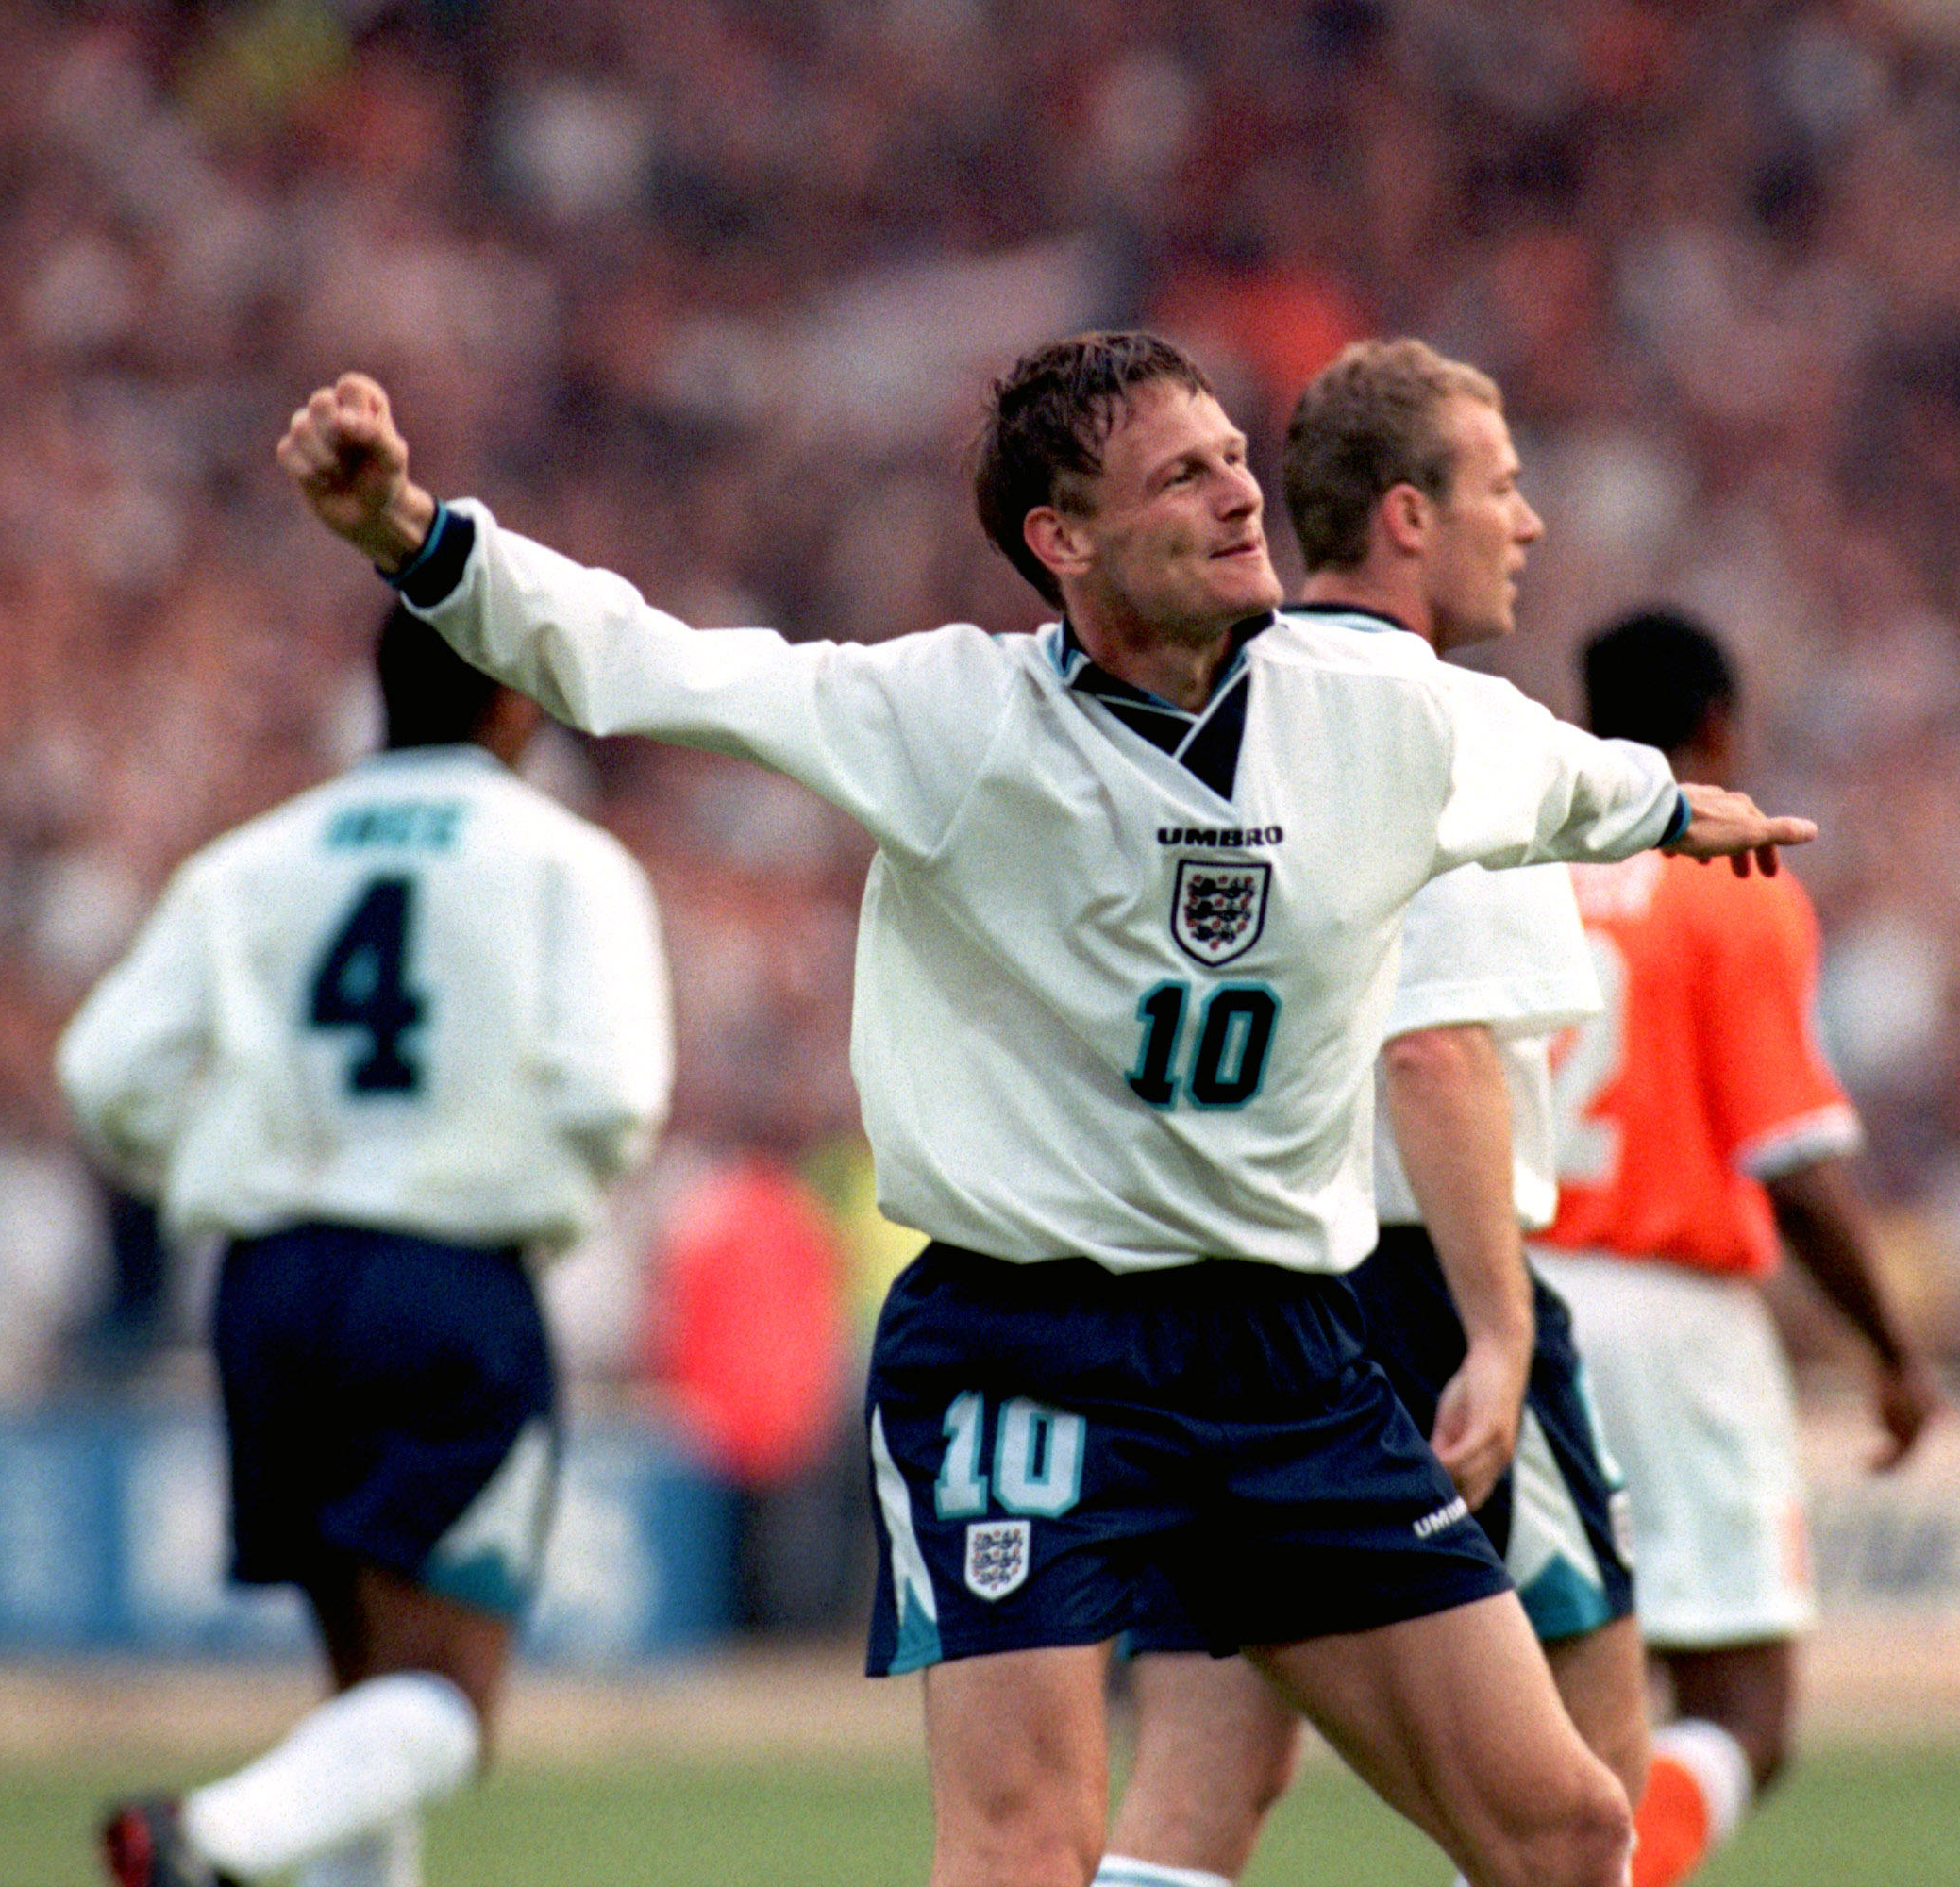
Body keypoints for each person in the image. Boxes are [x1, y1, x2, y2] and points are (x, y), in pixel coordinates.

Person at [274, 340, 1813, 1887]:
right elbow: (644, 660)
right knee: (1027, 1846)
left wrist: (1669, 805)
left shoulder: (1368, 703)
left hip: (1289, 1351)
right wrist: (415, 535)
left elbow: (1541, 773)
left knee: (1564, 1828)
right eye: (1180, 475)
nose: (1236, 492)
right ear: (1061, 544)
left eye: (1229, 456)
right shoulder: (953, 719)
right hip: (1029, 1350)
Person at [1099, 338, 1660, 1887]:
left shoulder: (1210, 704)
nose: (1528, 520)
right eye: (1502, 484)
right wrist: (1498, 1328)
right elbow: (1438, 1049)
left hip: (1208, 1295)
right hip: (1408, 1278)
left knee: (1200, 1787)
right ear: (1407, 516)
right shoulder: (1426, 723)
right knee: (1588, 1788)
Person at [59, 607, 674, 1887]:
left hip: (273, 1280)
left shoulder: (251, 861)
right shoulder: (563, 861)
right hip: (448, 1277)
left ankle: (237, 1836)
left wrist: (232, 1165)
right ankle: (207, 1838)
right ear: (514, 708)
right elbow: (616, 1095)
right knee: (446, 1700)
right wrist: (525, 1192)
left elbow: (104, 1072)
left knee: (365, 1698)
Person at [1532, 609, 1937, 1887]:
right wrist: (1891, 1347)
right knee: (1745, 1712)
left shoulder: (1509, 866)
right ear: (1716, 728)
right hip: (1670, 1320)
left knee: (1549, 1718)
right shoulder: (1731, 882)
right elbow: (1794, 1165)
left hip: (1513, 1301)